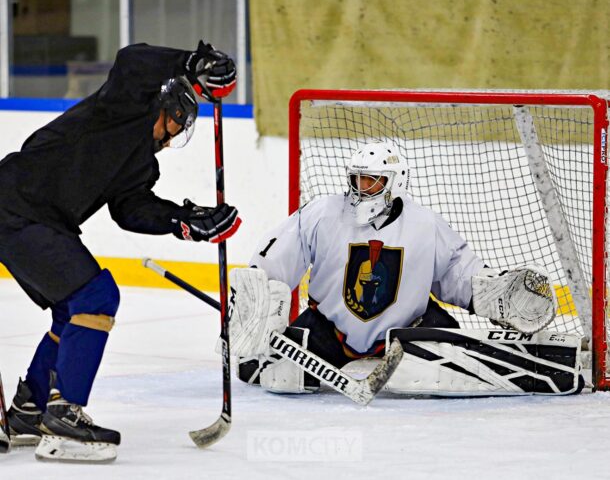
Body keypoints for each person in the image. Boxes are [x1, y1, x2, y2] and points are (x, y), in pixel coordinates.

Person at [0, 40, 240, 461]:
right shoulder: (123, 107)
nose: (174, 137)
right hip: (15, 205)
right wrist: (192, 62)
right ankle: (65, 420)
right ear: (168, 110)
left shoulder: (142, 163)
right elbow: (132, 60)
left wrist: (184, 221)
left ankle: (30, 410)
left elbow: (131, 209)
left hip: (36, 218)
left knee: (73, 308)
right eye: (176, 125)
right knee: (96, 296)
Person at [229, 140, 568, 397]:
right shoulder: (323, 213)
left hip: (408, 330)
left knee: (459, 363)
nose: (362, 189)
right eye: (358, 180)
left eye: (372, 181)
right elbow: (276, 256)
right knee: (270, 374)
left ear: (395, 183)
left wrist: (494, 294)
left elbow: (456, 273)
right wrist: (255, 297)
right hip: (329, 328)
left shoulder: (424, 225)